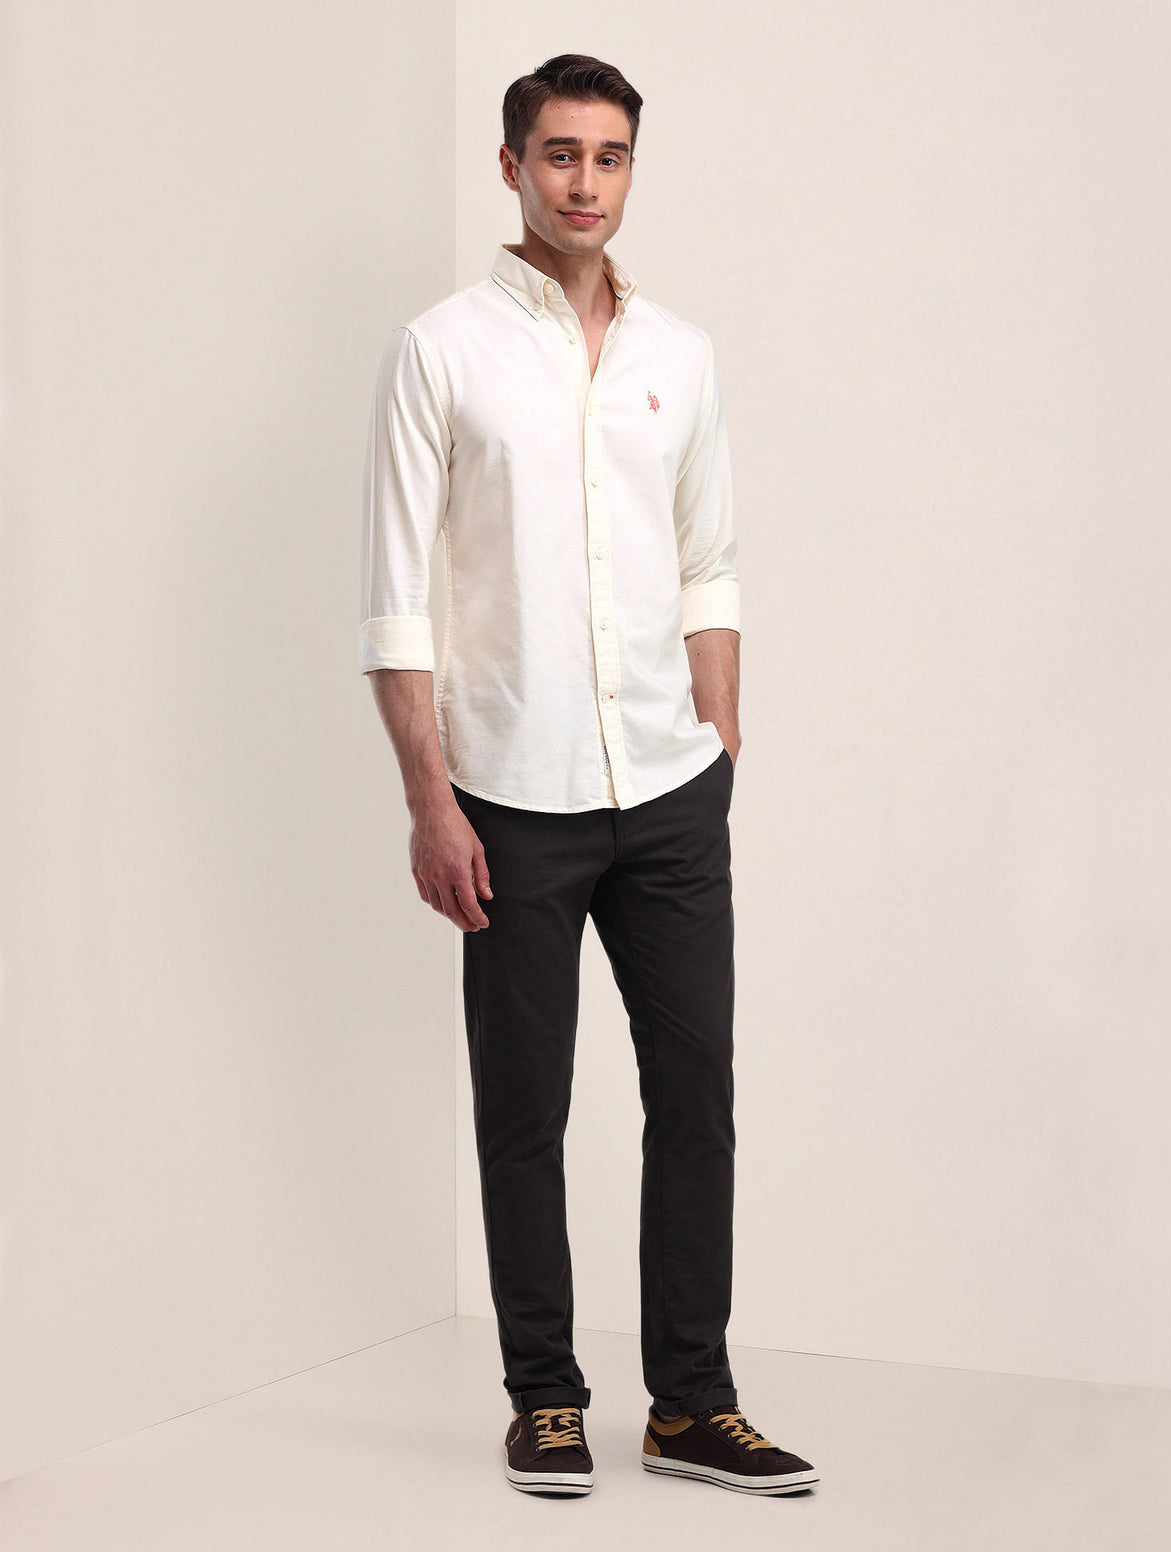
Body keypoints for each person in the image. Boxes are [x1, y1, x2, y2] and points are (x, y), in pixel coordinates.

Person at [360, 52, 818, 1499]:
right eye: (559, 154)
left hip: (671, 791)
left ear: (630, 170)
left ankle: (693, 1404)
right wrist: (429, 800)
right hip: (509, 793)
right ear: (511, 168)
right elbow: (396, 602)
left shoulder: (682, 354)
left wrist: (719, 734)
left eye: (609, 156)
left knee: (697, 1097)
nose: (585, 182)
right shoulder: (441, 351)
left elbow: (710, 557)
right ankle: (545, 1399)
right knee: (525, 1113)